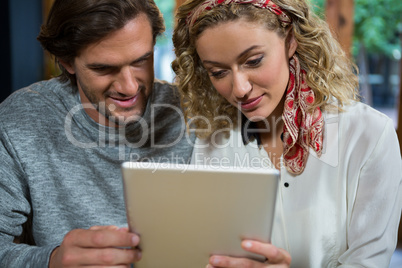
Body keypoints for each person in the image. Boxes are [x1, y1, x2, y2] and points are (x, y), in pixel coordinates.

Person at [172, 0, 402, 267]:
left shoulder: (370, 136)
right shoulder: (212, 142)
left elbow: (368, 262)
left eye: (254, 61)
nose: (239, 88)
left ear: (290, 40)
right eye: (218, 72)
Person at [0, 0, 194, 267]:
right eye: (104, 68)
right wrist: (51, 260)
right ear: (66, 61)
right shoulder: (21, 119)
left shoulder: (193, 111)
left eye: (141, 61)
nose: (129, 87)